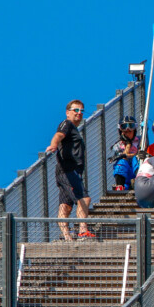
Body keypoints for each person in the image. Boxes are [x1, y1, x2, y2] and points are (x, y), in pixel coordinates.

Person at [45, 99, 94, 240]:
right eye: (76, 110)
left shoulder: (73, 128)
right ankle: (83, 230)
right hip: (68, 170)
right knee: (84, 198)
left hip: (68, 172)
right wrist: (53, 145)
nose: (79, 113)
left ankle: (67, 237)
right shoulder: (67, 124)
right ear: (68, 112)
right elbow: (59, 135)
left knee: (65, 205)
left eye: (81, 111)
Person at [109, 116, 140, 191]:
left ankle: (138, 181)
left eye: (130, 131)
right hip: (126, 175)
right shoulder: (118, 145)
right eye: (125, 132)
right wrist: (128, 144)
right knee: (121, 162)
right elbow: (123, 157)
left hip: (137, 172)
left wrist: (127, 155)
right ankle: (120, 186)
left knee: (135, 159)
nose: (127, 134)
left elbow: (140, 153)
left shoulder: (140, 141)